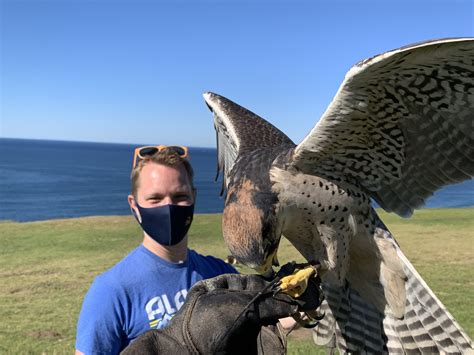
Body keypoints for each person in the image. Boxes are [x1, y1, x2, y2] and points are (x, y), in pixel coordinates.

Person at [75, 145, 237, 355]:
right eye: (155, 199)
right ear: (134, 206)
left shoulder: (221, 274)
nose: (169, 207)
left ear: (193, 197)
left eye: (180, 197)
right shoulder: (111, 291)